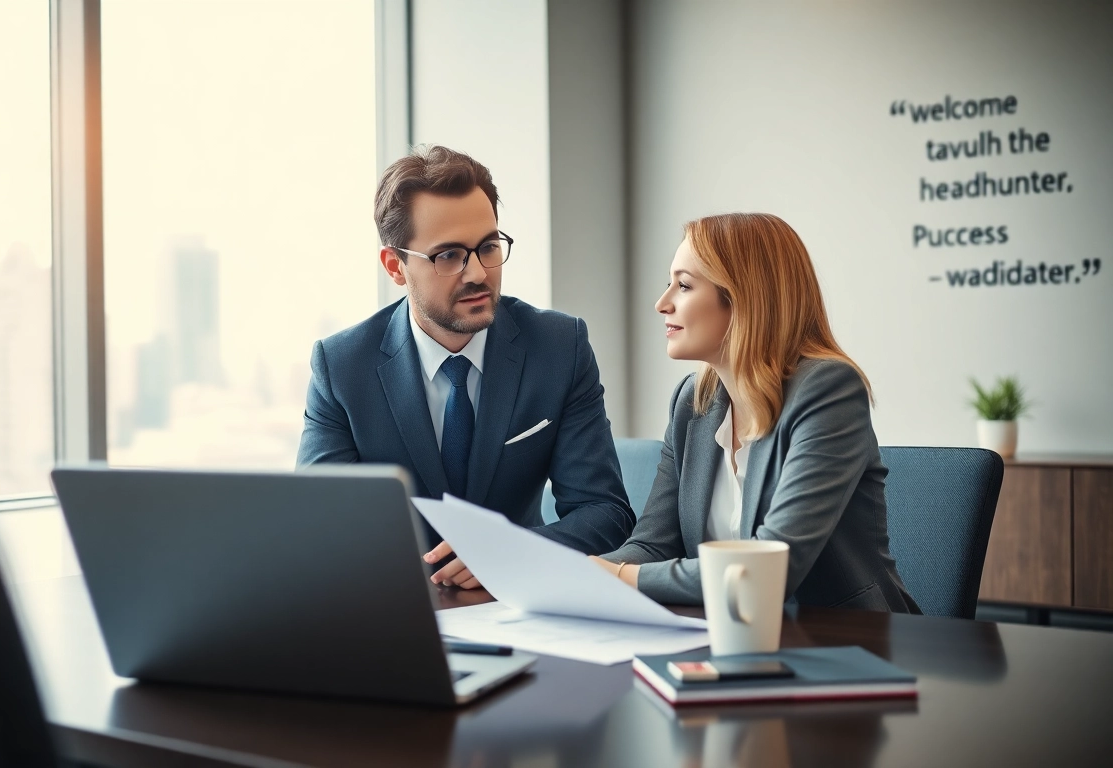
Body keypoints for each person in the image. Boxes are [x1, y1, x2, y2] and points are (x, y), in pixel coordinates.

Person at [298, 145, 633, 589]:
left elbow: (606, 513)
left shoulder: (558, 347)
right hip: (394, 604)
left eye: (488, 247)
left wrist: (508, 552)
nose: (477, 273)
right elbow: (316, 528)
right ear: (395, 266)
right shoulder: (342, 367)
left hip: (516, 602)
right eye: (449, 255)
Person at [592, 213, 920, 613]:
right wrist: (577, 574)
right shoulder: (692, 401)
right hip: (731, 632)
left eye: (684, 285)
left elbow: (769, 570)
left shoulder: (829, 390)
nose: (662, 304)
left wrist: (619, 577)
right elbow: (652, 545)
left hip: (844, 636)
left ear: (743, 298)